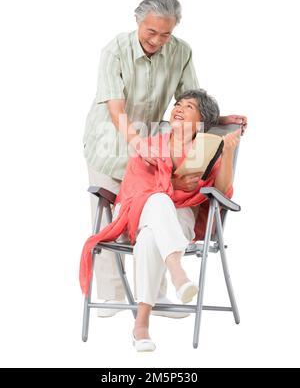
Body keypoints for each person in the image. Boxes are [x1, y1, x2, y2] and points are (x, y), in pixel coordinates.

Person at [83, 0, 247, 318]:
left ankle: (155, 296)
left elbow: (191, 101)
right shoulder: (115, 51)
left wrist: (219, 119)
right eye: (151, 32)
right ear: (138, 22)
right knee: (108, 216)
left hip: (154, 150)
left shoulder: (181, 52)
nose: (158, 40)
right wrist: (134, 140)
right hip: (111, 141)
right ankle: (112, 296)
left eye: (166, 34)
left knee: (156, 210)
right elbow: (116, 109)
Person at [79, 89, 240, 351]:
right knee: (158, 200)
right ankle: (178, 275)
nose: (178, 107)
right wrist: (174, 183)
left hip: (179, 218)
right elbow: (137, 188)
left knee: (150, 238)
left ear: (202, 120)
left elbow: (220, 193)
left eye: (189, 106)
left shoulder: (206, 151)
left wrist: (230, 152)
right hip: (139, 211)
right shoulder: (151, 145)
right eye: (178, 103)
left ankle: (140, 325)